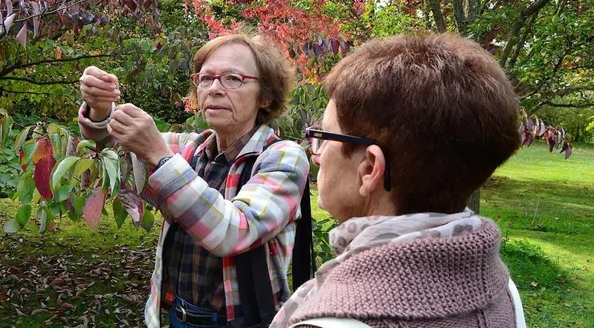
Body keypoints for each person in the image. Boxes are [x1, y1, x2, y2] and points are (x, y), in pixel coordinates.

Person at [271, 34, 524, 328]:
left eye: (324, 137)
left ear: (370, 169)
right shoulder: (501, 289)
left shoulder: (333, 320)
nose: (317, 155)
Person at [78, 33, 310, 328]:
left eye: (233, 79)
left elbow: (234, 232)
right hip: (176, 317)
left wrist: (160, 158)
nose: (214, 89)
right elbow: (111, 143)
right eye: (206, 78)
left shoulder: (282, 157)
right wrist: (100, 106)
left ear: (265, 96)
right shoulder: (189, 149)